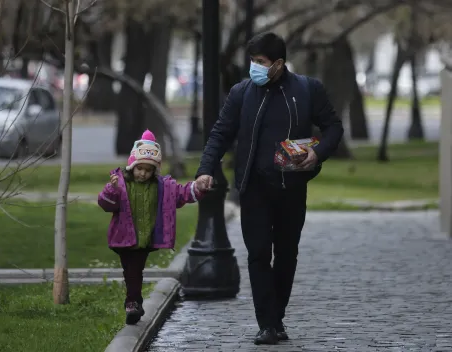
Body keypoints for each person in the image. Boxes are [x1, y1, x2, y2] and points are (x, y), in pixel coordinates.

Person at [195, 32, 344, 345]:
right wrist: (205, 170)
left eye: (260, 62)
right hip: (254, 188)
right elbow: (219, 134)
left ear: (278, 63)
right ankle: (268, 323)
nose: (254, 67)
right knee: (259, 253)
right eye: (252, 61)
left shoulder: (307, 89)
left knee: (287, 253)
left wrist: (318, 153)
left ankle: (277, 316)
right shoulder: (241, 93)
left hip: (292, 187)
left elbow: (333, 127)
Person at [98, 130, 206, 325]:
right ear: (132, 165)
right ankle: (135, 302)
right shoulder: (121, 184)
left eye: (148, 170)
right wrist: (111, 190)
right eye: (140, 168)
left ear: (155, 170)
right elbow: (106, 204)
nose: (143, 173)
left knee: (134, 271)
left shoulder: (162, 187)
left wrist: (196, 188)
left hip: (143, 239)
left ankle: (132, 304)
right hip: (123, 236)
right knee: (130, 270)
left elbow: (180, 194)